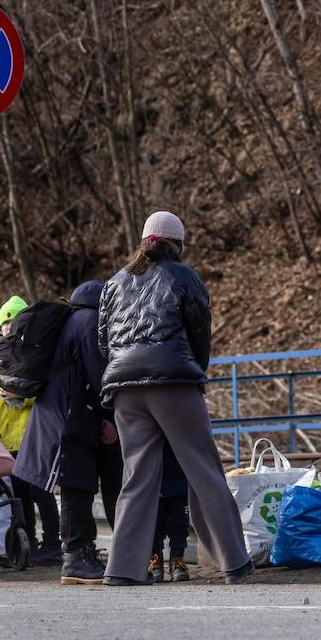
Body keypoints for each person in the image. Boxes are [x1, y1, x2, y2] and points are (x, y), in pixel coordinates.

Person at [98, 211, 253, 586]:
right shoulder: (184, 276)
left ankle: (121, 570)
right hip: (172, 382)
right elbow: (200, 331)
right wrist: (195, 371)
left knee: (136, 477)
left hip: (123, 387)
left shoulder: (116, 282)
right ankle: (234, 562)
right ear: (177, 244)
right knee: (203, 469)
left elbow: (103, 339)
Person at [14, 280, 124, 585]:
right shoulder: (88, 322)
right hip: (68, 419)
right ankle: (76, 558)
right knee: (77, 487)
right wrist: (113, 414)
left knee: (81, 485)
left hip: (71, 416)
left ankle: (83, 554)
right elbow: (102, 376)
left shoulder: (76, 318)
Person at [0, 314, 62, 568]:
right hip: (6, 442)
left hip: (33, 438)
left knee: (41, 493)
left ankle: (52, 543)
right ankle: (28, 541)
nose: (8, 327)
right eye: (5, 324)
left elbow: (43, 392)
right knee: (19, 498)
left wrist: (22, 395)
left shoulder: (35, 356)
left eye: (13, 322)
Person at [149, 442, 190, 582]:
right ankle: (155, 561)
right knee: (154, 523)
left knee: (180, 522)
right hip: (153, 473)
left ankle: (177, 560)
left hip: (179, 472)